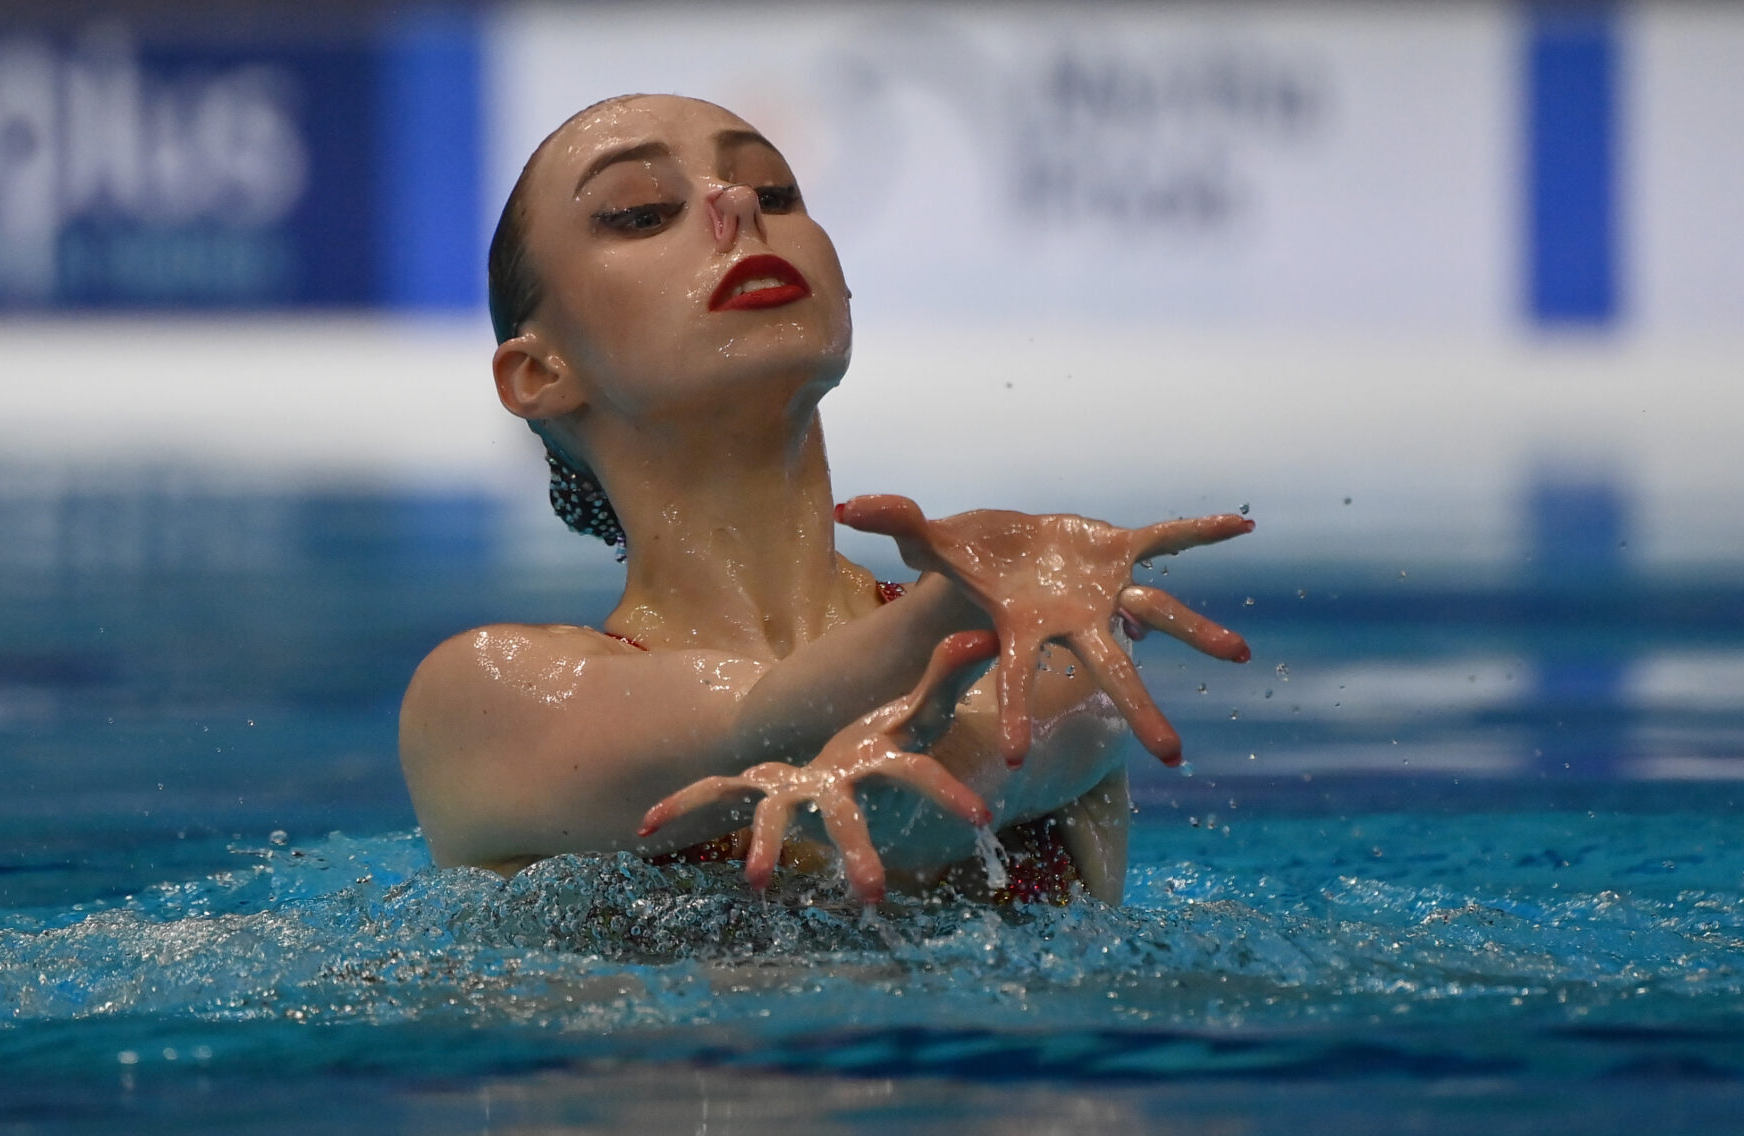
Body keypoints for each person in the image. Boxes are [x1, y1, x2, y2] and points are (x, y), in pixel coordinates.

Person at [398, 94, 1252, 906]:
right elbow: (752, 721)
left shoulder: (1040, 647)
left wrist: (968, 620)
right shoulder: (485, 697)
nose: (736, 204)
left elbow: (931, 808)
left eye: (774, 190)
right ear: (538, 373)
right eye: (641, 211)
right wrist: (951, 608)